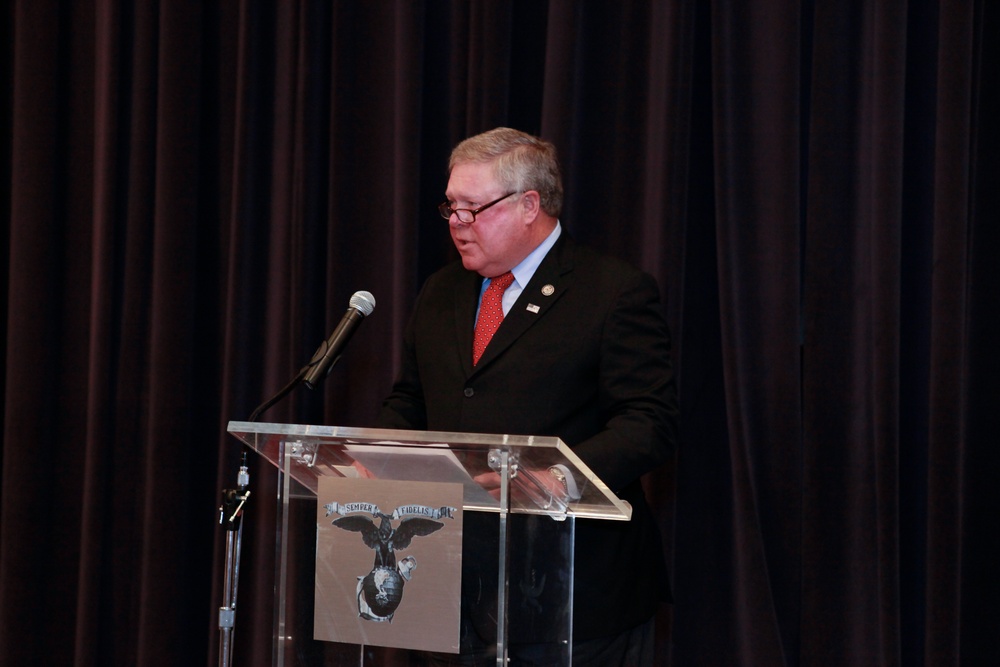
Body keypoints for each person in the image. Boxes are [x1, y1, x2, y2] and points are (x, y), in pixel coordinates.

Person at [376, 127, 678, 665]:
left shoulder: (611, 292)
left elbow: (648, 422)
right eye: (450, 207)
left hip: (573, 595)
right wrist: (379, 462)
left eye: (472, 209)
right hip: (451, 589)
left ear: (528, 205)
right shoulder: (442, 290)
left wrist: (556, 477)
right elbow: (412, 399)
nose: (456, 224)